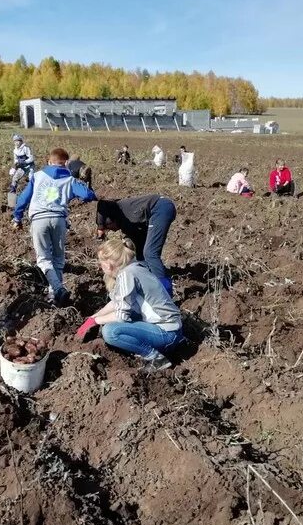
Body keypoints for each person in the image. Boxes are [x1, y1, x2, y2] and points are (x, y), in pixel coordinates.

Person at [75, 237, 184, 373]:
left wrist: (96, 321)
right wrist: (93, 317)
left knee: (110, 332)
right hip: (172, 330)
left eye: (101, 262)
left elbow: (121, 316)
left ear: (108, 265)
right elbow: (117, 303)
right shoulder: (135, 268)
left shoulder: (127, 275)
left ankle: (156, 358)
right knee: (121, 321)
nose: (100, 266)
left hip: (167, 333)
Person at [12, 148, 96, 305]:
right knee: (58, 259)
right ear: (66, 163)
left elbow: (23, 199)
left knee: (43, 259)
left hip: (39, 220)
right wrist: (86, 183)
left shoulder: (37, 176)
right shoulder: (70, 180)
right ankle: (54, 296)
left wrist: (17, 217)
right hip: (58, 220)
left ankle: (57, 289)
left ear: (49, 161)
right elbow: (88, 196)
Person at [96, 194, 176, 295]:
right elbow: (138, 242)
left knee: (150, 253)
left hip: (160, 208)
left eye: (109, 226)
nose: (111, 230)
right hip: (155, 212)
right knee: (141, 252)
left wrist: (100, 227)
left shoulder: (125, 214)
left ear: (113, 220)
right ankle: (149, 280)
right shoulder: (124, 221)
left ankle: (166, 291)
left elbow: (101, 204)